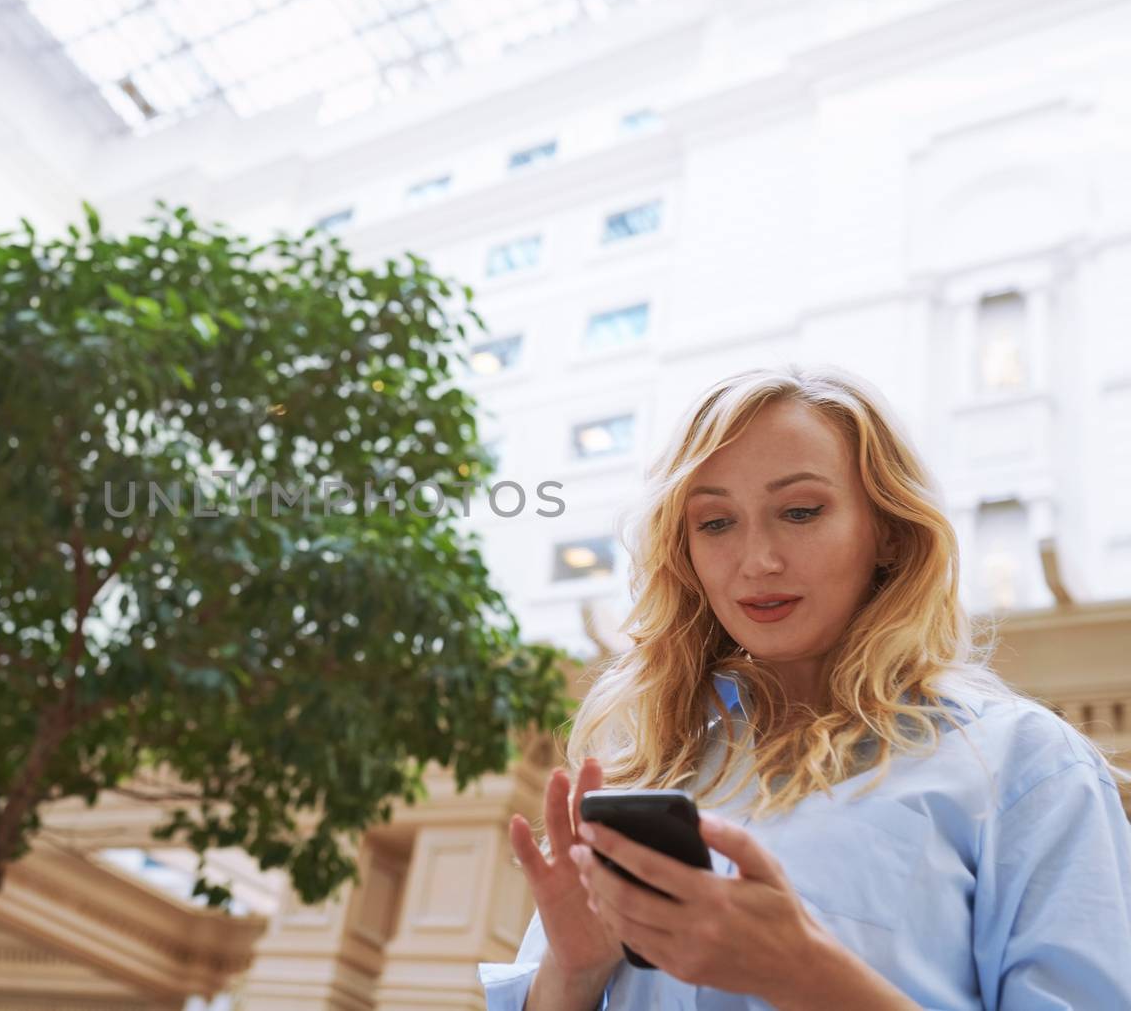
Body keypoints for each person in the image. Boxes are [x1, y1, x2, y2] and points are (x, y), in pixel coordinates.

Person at [479, 365, 1131, 1009]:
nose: (757, 561)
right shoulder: (649, 775)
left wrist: (806, 973)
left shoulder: (1023, 767)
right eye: (715, 523)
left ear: (891, 536)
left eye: (799, 511)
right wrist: (573, 974)